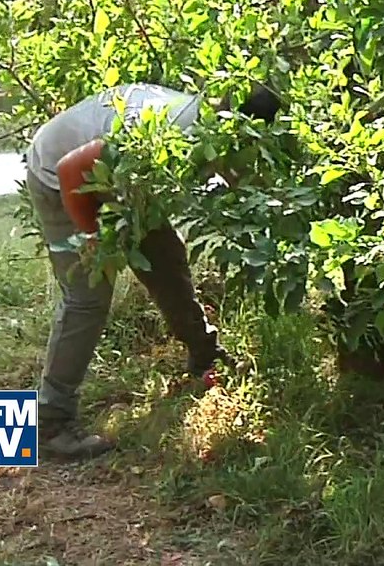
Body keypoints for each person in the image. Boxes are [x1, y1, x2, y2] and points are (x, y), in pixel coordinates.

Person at [24, 82, 282, 459]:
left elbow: (231, 176)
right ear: (233, 127)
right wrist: (93, 237)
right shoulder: (170, 133)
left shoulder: (208, 131)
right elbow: (71, 171)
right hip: (59, 175)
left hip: (122, 182)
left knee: (166, 259)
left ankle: (204, 354)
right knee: (88, 298)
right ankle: (49, 423)